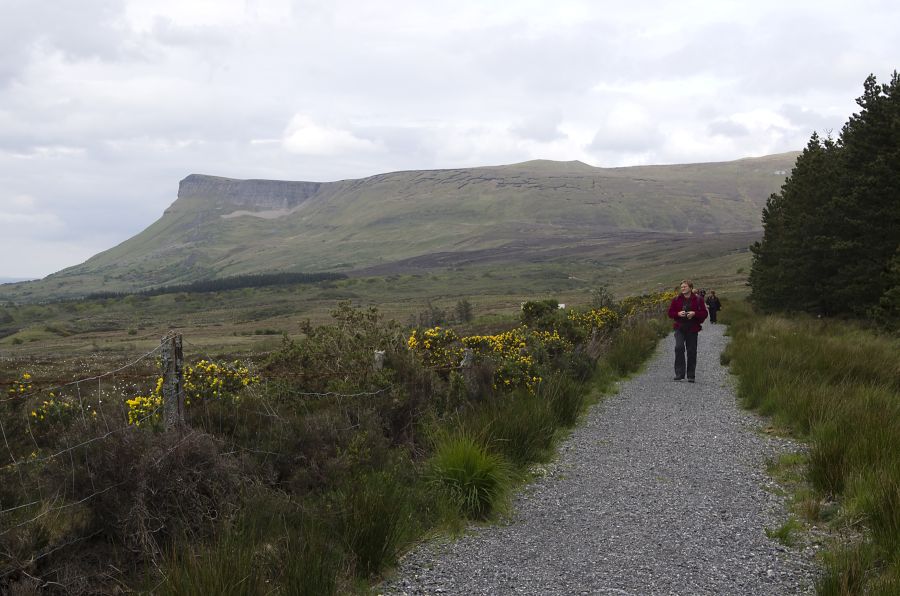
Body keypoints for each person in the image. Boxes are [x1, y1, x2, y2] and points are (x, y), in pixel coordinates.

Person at [667, 280, 708, 383]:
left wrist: (694, 313)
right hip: (679, 328)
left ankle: (691, 375)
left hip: (693, 328)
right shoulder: (676, 299)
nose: (683, 288)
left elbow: (704, 313)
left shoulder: (698, 299)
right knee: (679, 348)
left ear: (690, 287)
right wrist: (678, 313)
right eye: (682, 287)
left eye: (685, 287)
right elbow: (670, 313)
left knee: (691, 351)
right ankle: (679, 374)